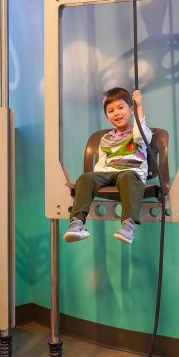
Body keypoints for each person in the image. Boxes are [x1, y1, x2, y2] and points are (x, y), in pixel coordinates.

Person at [63, 87, 152, 245]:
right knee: (85, 177)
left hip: (131, 173)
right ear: (107, 116)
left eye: (120, 108)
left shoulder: (139, 133)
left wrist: (139, 107)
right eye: (111, 111)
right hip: (109, 173)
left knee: (127, 175)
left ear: (130, 109)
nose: (116, 113)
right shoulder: (106, 138)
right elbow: (101, 164)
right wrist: (96, 180)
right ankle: (77, 223)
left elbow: (140, 135)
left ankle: (128, 226)